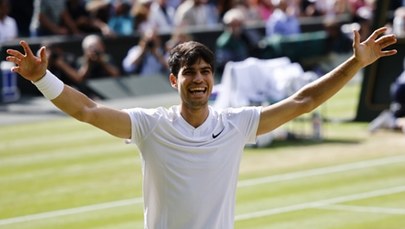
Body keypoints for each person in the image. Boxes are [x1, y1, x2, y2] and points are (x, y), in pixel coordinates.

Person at [5, 27, 397, 228]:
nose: (199, 79)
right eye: (190, 72)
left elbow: (303, 101)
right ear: (174, 81)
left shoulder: (237, 124)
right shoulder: (149, 126)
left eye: (206, 72)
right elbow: (88, 110)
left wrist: (356, 64)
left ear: (213, 79)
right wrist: (43, 79)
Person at [369, 57, 405, 134]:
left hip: (399, 86)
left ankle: (390, 119)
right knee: (398, 116)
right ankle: (389, 120)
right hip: (402, 88)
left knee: (398, 115)